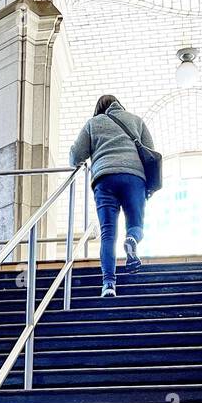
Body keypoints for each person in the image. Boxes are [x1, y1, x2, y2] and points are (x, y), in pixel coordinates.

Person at [69, 95, 155, 297]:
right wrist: (148, 187)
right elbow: (151, 152)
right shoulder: (136, 120)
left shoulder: (93, 123)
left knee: (108, 234)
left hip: (104, 179)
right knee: (135, 224)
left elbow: (75, 157)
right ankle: (132, 239)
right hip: (134, 178)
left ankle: (108, 284)